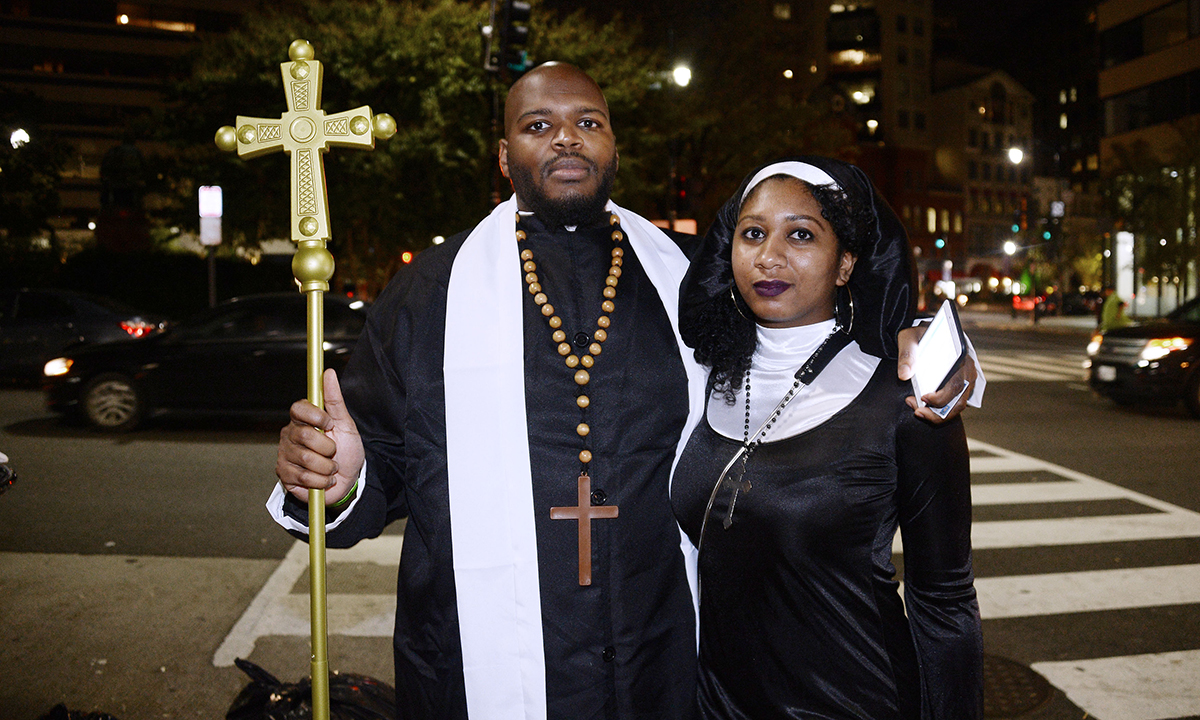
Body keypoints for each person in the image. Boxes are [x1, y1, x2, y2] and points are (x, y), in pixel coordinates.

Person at [273, 65, 979, 720]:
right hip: (483, 663)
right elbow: (379, 465)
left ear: (614, 146)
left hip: (660, 666)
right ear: (504, 156)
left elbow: (810, 334)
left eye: (588, 122)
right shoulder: (431, 292)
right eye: (539, 125)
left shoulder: (685, 277)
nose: (567, 138)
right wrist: (340, 477)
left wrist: (927, 344)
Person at [672, 157, 983, 719]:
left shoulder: (906, 399)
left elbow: (945, 601)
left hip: (856, 701)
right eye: (753, 234)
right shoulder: (702, 376)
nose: (769, 256)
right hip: (719, 707)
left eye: (801, 235)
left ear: (845, 264)